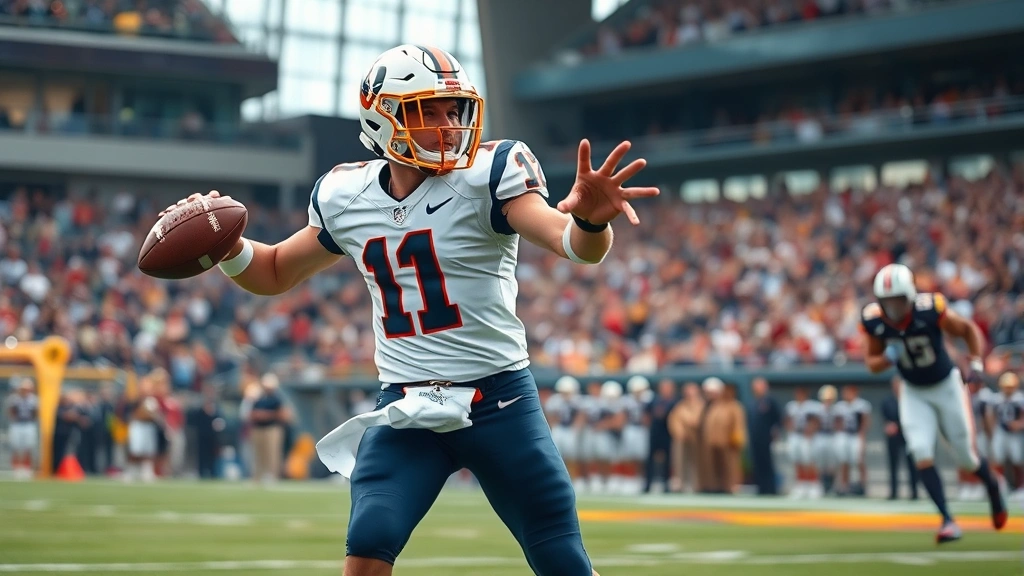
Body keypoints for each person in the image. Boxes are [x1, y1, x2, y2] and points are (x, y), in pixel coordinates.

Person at [161, 44, 657, 576]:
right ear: (384, 116)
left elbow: (571, 244)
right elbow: (277, 269)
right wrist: (228, 248)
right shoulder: (345, 195)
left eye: (454, 110)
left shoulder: (489, 176)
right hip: (407, 406)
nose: (448, 126)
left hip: (499, 403)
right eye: (429, 112)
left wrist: (590, 223)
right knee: (369, 541)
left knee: (559, 554)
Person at [863, 263, 1006, 543]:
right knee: (919, 449)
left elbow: (967, 330)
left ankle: (993, 484)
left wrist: (976, 362)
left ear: (910, 296)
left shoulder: (929, 309)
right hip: (914, 390)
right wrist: (887, 358)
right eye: (887, 302)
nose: (892, 308)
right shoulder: (874, 321)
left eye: (897, 300)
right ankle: (947, 520)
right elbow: (872, 363)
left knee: (966, 456)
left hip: (946, 385)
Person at [881, 376, 918, 500]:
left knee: (911, 464)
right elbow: (885, 419)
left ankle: (914, 492)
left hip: (908, 435)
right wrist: (889, 426)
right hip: (893, 437)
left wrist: (900, 426)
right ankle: (894, 492)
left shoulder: (910, 400)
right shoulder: (887, 401)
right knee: (893, 464)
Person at [746, 377, 781, 495]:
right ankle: (761, 488)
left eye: (759, 386)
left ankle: (771, 488)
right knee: (757, 463)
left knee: (768, 464)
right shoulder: (752, 402)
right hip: (754, 438)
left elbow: (777, 419)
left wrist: (775, 431)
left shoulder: (770, 401)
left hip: (766, 438)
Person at [6, 377, 38, 480]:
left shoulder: (34, 399)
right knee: (16, 447)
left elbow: (36, 412)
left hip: (28, 424)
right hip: (17, 424)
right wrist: (14, 419)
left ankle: (26, 468)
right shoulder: (14, 398)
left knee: (27, 447)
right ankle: (16, 468)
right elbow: (11, 411)